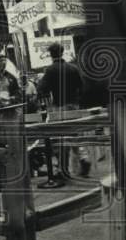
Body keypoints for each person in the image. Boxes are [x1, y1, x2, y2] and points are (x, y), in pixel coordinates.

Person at [37, 42, 90, 179]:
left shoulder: (50, 70)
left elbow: (42, 89)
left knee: (61, 138)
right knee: (76, 135)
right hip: (74, 106)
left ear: (50, 54)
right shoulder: (73, 68)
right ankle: (84, 158)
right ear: (62, 52)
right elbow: (82, 86)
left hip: (59, 107)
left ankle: (63, 169)